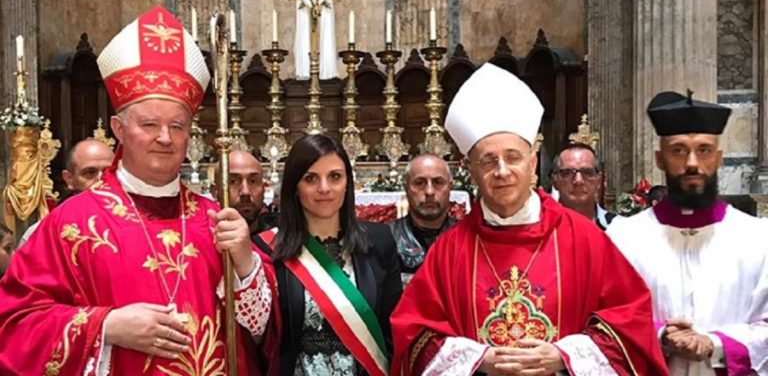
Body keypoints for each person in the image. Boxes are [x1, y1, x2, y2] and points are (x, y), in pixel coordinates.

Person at [0, 6, 275, 375]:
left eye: (177, 126)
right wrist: (107, 327)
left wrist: (245, 265)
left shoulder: (217, 220)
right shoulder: (70, 224)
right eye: (149, 124)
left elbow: (262, 333)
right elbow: (15, 325)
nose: (165, 138)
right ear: (118, 128)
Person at [390, 63, 668, 375]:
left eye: (513, 157)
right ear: (471, 171)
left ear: (533, 162)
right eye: (488, 160)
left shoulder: (583, 239)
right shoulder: (449, 251)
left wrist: (564, 356)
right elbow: (414, 337)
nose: (502, 171)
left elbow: (631, 325)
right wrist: (478, 359)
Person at [607, 90, 768, 375]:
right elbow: (609, 317)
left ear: (718, 158)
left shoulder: (758, 238)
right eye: (678, 150)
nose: (692, 162)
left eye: (704, 150)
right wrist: (660, 336)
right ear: (660, 159)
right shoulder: (624, 237)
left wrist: (714, 344)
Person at [258, 134, 403, 376]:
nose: (324, 188)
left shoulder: (379, 242)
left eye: (335, 177)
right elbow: (264, 340)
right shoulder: (269, 249)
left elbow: (393, 330)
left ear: (348, 182)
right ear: (294, 186)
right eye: (311, 178)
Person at [19, 139, 115, 246]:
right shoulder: (41, 234)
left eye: (109, 171)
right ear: (69, 178)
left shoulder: (135, 221)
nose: (100, 179)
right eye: (89, 173)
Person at [389, 154, 456, 284]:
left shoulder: (467, 238)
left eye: (438, 182)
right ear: (406, 188)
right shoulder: (386, 238)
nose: (429, 192)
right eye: (419, 183)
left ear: (450, 187)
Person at [551, 143, 618, 230]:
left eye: (587, 172)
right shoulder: (541, 229)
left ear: (599, 180)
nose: (578, 181)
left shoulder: (618, 228)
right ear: (554, 181)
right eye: (567, 173)